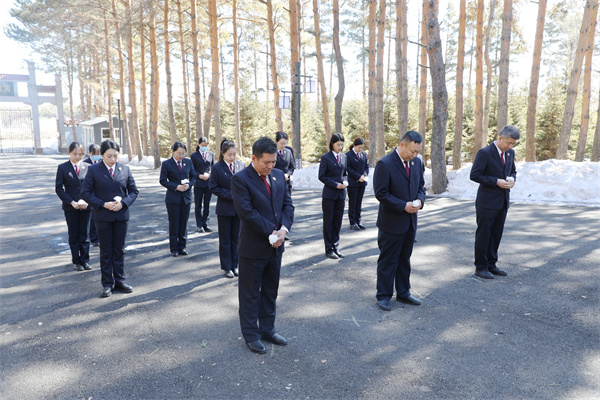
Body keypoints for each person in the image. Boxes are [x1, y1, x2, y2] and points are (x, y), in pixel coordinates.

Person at [231, 137, 294, 354]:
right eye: (266, 162)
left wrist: (284, 230)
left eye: (273, 162)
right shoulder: (241, 179)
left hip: (276, 246)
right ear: (253, 158)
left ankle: (268, 329)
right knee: (250, 293)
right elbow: (247, 213)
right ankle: (251, 334)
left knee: (270, 291)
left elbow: (287, 204)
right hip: (253, 247)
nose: (270, 166)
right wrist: (272, 232)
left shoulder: (278, 175)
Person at [373, 131, 426, 311]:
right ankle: (384, 295)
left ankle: (403, 292)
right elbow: (381, 194)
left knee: (405, 258)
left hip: (410, 221)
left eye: (418, 151)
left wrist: (420, 201)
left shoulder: (417, 162)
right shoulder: (385, 164)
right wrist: (403, 205)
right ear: (402, 145)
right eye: (412, 151)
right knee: (388, 260)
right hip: (391, 221)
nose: (415, 155)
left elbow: (420, 186)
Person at [81, 139, 139, 298]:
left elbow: (133, 191)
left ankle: (120, 280)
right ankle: (107, 283)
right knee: (106, 250)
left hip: (121, 216)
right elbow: (85, 193)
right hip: (103, 216)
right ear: (101, 155)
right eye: (109, 156)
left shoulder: (125, 169)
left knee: (119, 250)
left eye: (115, 156)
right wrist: (102, 204)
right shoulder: (94, 170)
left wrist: (124, 203)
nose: (113, 160)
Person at [470, 125, 519, 279]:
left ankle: (492, 264)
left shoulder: (510, 153)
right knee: (484, 235)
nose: (510, 146)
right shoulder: (484, 153)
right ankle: (481, 267)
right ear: (500, 138)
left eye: (513, 144)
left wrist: (512, 180)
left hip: (503, 200)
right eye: (508, 143)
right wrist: (495, 181)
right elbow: (475, 175)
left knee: (496, 234)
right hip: (486, 202)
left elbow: (512, 171)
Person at [209, 139, 245, 278]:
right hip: (224, 208)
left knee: (237, 238)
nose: (232, 157)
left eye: (234, 154)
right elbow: (213, 187)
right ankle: (226, 266)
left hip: (239, 209)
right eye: (229, 154)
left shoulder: (241, 165)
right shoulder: (217, 167)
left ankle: (235, 265)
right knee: (225, 239)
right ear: (223, 153)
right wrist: (230, 195)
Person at [55, 142, 92, 272]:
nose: (78, 156)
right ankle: (76, 261)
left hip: (86, 206)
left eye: (81, 154)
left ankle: (85, 260)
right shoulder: (63, 167)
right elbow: (59, 189)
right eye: (75, 154)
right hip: (71, 207)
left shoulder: (88, 167)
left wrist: (88, 201)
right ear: (69, 153)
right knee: (74, 234)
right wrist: (71, 202)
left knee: (85, 234)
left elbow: (92, 187)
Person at [160, 142, 197, 257]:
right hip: (173, 198)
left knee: (183, 223)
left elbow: (194, 177)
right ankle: (174, 248)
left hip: (186, 197)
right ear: (173, 152)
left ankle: (182, 246)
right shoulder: (166, 164)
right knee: (174, 223)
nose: (181, 156)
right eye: (178, 153)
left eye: (183, 153)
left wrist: (189, 185)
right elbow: (163, 180)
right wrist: (175, 186)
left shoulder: (188, 162)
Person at [318, 133, 347, 259]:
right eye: (338, 145)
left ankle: (336, 247)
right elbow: (322, 176)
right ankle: (329, 249)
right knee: (328, 222)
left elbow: (345, 173)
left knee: (337, 222)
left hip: (341, 195)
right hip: (329, 195)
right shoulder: (326, 157)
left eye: (342, 145)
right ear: (332, 144)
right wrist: (335, 184)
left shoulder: (344, 157)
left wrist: (345, 181)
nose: (340, 147)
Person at [190, 136, 215, 233]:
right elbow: (191, 170)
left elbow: (213, 167)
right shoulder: (194, 156)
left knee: (207, 204)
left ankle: (206, 224)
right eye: (202, 145)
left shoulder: (211, 154)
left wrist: (209, 174)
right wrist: (199, 175)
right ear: (198, 145)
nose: (204, 147)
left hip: (208, 183)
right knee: (198, 205)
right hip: (198, 183)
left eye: (206, 145)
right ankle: (199, 225)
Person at [346, 137, 369, 231]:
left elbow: (366, 166)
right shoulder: (348, 155)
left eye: (362, 147)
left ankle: (358, 221)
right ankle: (353, 222)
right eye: (359, 147)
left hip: (362, 182)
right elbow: (348, 168)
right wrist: (357, 177)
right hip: (353, 183)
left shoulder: (363, 154)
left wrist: (364, 174)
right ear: (354, 146)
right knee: (353, 202)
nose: (360, 149)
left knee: (359, 202)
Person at [83, 143, 101, 246]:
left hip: (99, 193)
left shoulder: (102, 162)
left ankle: (98, 237)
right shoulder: (85, 164)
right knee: (90, 218)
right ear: (89, 153)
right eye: (94, 154)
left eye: (98, 154)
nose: (96, 156)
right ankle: (93, 238)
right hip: (89, 194)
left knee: (98, 217)